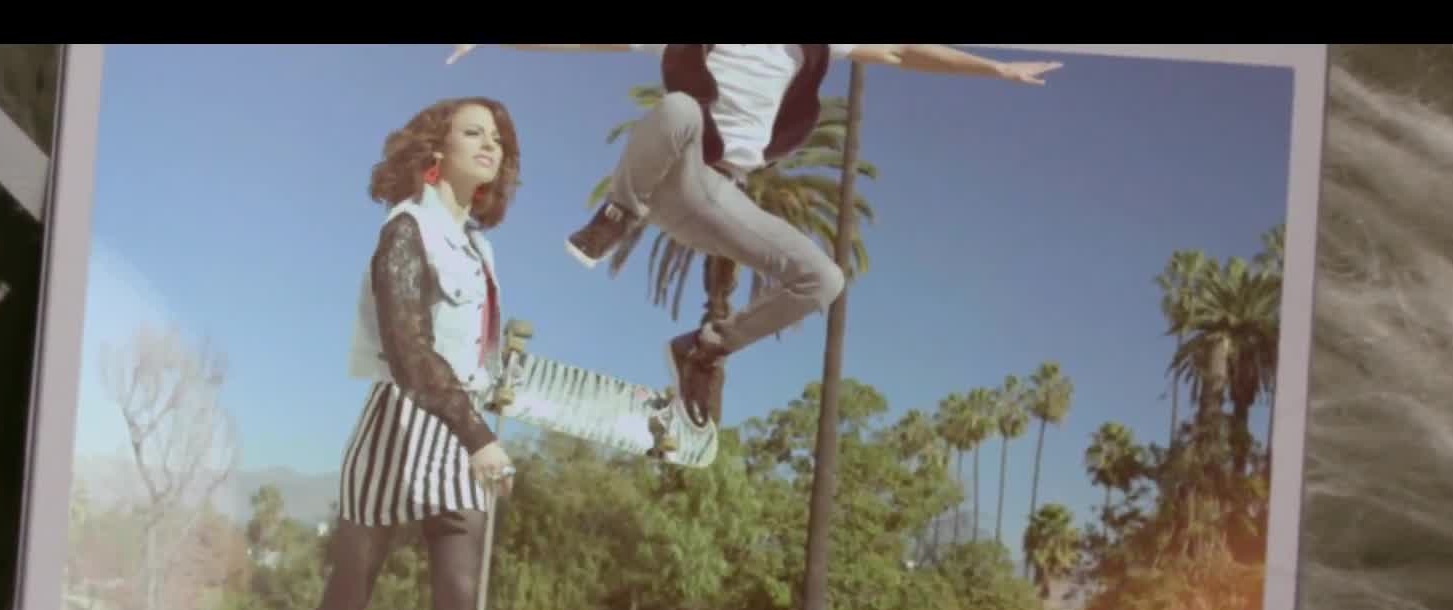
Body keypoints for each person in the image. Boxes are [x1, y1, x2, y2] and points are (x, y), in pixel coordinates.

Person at [446, 44, 1062, 427]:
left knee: (824, 278)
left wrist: (996, 68)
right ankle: (617, 216)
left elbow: (903, 51)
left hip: (718, 199)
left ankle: (703, 349)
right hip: (672, 167)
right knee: (680, 108)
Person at [269, 96, 522, 610]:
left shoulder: (480, 248)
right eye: (474, 132)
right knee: (350, 591)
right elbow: (408, 350)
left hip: (463, 427)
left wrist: (491, 402)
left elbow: (466, 351)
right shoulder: (405, 229)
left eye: (498, 138)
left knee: (461, 597)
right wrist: (479, 437)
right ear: (436, 149)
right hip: (402, 421)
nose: (491, 144)